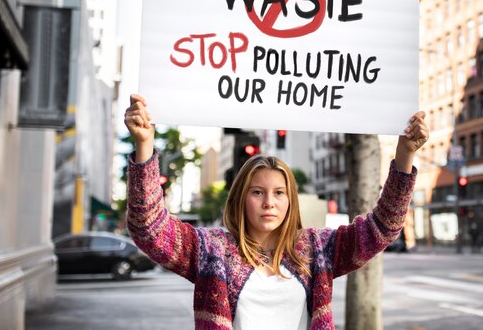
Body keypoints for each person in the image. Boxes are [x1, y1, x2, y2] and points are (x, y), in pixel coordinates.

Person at [124, 93, 428, 330]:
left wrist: (404, 155)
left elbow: (382, 228)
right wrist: (145, 146)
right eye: (257, 192)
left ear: (290, 201)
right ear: (241, 199)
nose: (269, 202)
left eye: (279, 193)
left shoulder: (316, 250)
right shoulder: (212, 251)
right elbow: (148, 227)